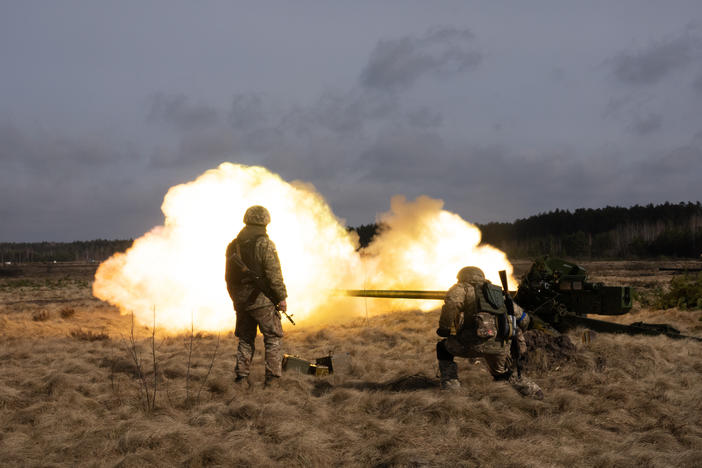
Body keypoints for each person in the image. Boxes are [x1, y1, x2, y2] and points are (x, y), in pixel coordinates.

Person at [436, 266, 543, 399]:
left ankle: (451, 387)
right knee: (502, 374)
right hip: (500, 346)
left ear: (462, 277)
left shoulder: (462, 288)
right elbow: (524, 319)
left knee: (443, 348)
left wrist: (444, 329)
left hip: (471, 343)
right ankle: (533, 391)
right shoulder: (498, 293)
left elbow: (452, 304)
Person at [225, 205, 288, 388]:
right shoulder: (265, 244)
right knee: (273, 338)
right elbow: (274, 274)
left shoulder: (233, 245)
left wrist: (237, 299)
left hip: (241, 302)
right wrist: (281, 298)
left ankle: (241, 379)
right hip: (261, 301)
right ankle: (273, 381)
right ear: (265, 221)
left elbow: (228, 277)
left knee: (245, 339)